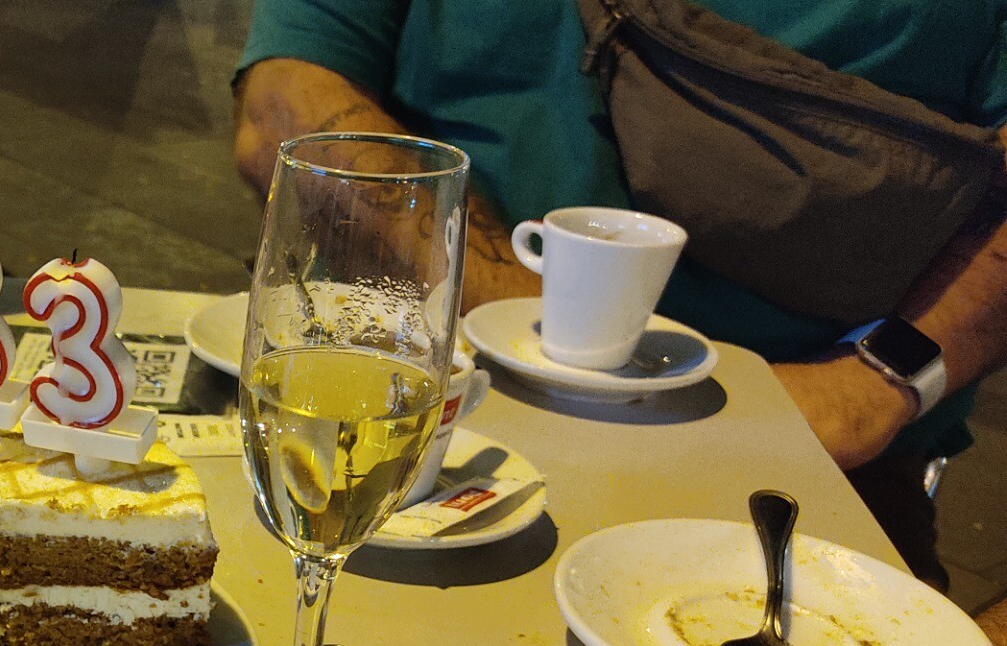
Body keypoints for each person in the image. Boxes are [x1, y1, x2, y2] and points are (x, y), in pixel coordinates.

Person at [231, 0, 1007, 590]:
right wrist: (524, 313)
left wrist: (875, 383)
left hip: (801, 445)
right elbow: (285, 98)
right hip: (427, 393)